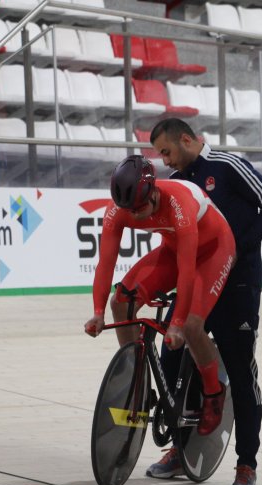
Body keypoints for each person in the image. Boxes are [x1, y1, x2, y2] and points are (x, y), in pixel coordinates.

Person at [143, 118, 262, 485]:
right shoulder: (179, 181)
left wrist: (236, 247)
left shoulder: (226, 165)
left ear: (187, 140)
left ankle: (247, 464)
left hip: (238, 281)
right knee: (173, 354)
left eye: (166, 151)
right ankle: (181, 447)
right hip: (198, 280)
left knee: (241, 371)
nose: (164, 160)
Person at [84, 155, 235, 437]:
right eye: (130, 209)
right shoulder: (118, 211)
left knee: (191, 326)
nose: (137, 214)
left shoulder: (180, 202)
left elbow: (187, 271)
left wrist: (177, 323)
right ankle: (137, 382)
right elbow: (105, 264)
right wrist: (97, 312)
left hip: (213, 250)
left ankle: (214, 391)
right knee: (121, 301)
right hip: (172, 249)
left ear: (153, 191)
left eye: (141, 207)